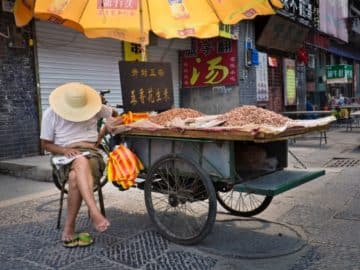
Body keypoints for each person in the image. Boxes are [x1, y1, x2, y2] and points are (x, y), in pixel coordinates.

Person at [40, 82, 121, 247]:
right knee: (77, 164)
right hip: (64, 155)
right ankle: (93, 210)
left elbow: (115, 114)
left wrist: (101, 134)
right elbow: (46, 144)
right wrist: (63, 150)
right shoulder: (51, 113)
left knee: (75, 176)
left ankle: (69, 227)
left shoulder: (94, 108)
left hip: (91, 153)